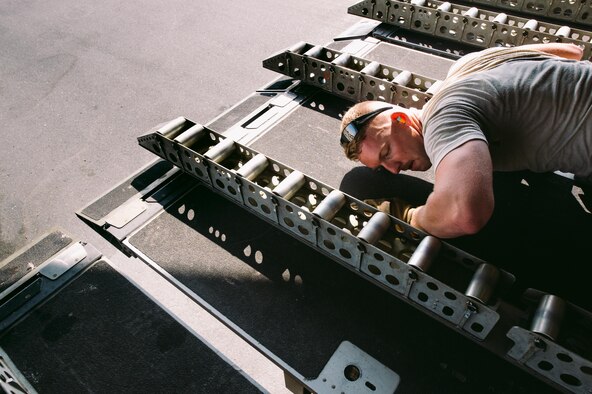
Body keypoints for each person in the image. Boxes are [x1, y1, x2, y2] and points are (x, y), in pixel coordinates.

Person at [339, 43, 591, 239]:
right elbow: (572, 53)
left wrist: (411, 216)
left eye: (386, 153)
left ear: (400, 119)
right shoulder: (468, 64)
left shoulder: (441, 119)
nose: (393, 169)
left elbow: (464, 214)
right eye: (382, 167)